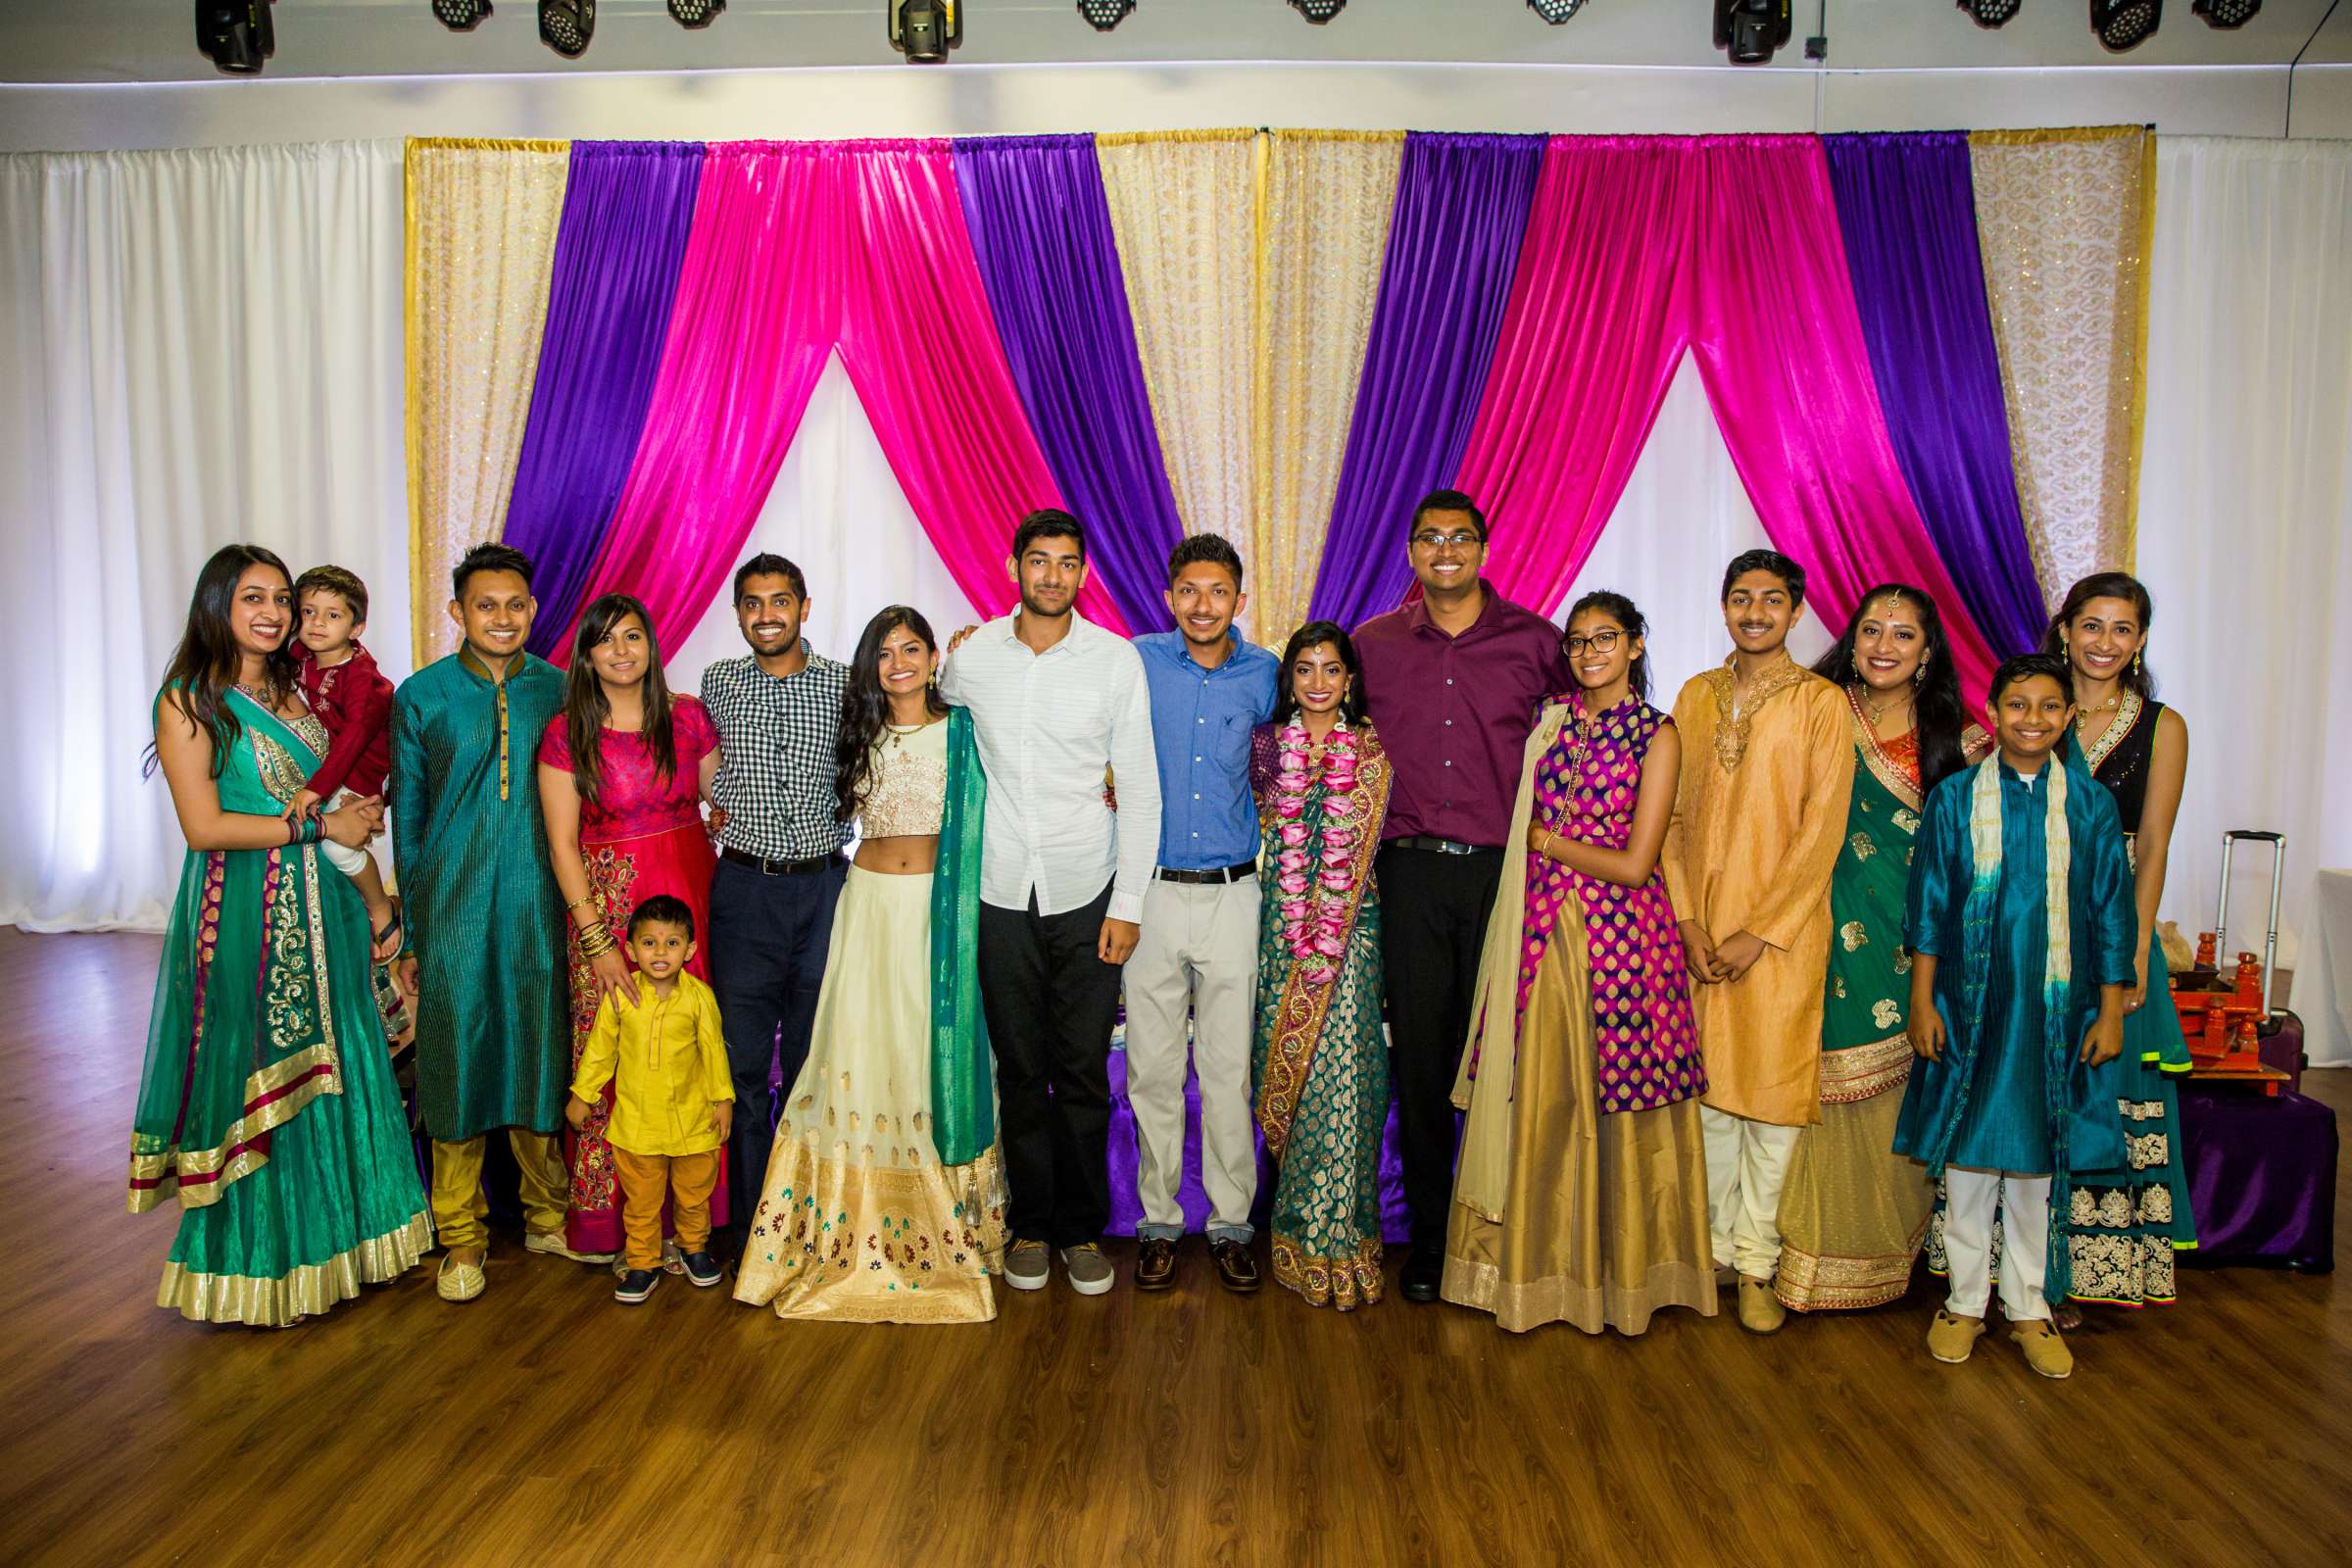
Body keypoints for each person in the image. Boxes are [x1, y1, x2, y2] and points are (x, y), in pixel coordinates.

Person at [132, 544, 429, 1326]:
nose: (271, 613)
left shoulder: (302, 686)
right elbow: (203, 827)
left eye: (281, 599)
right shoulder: (191, 699)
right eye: (252, 598)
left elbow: (350, 769)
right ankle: (264, 1268)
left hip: (325, 907)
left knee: (347, 1059)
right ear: (217, 606)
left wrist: (357, 823)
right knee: (264, 1071)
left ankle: (351, 1250)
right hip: (245, 917)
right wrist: (320, 826)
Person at [1446, 592, 1714, 1335]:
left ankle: (1618, 1275)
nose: (1589, 651)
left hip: (1619, 942)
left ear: (1635, 645)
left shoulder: (1657, 735)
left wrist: (1550, 846)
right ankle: (1530, 1271)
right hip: (1538, 936)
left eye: (1607, 638)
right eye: (1578, 641)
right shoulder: (1551, 724)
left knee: (1612, 1105)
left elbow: (1635, 864)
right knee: (1538, 1100)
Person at [734, 608, 1007, 1323]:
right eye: (884, 654)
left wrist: (978, 642)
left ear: (933, 657)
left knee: (923, 1052)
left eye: (911, 648)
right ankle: (843, 1229)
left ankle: (946, 1223)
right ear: (870, 666)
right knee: (858, 1048)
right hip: (868, 907)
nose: (899, 664)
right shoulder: (856, 733)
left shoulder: (965, 730)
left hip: (938, 914)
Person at [1351, 489, 1570, 1303]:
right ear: (1411, 551)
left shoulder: (1537, 642)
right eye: (1430, 538)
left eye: (1462, 537)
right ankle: (1439, 1243)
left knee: (1509, 1056)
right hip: (1406, 874)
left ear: (1484, 547)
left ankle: (1507, 1236)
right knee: (1423, 1060)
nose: (1446, 549)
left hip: (1507, 875)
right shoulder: (1373, 644)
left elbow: (1590, 731)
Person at [937, 509, 1160, 1298]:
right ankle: (1030, 1225)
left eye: (1068, 563)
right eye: (1040, 561)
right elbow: (925, 702)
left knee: (1082, 1072)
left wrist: (1128, 901)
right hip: (999, 893)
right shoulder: (973, 661)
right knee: (1022, 1070)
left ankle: (1081, 1230)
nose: (1054, 576)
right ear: (1013, 568)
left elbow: (1139, 786)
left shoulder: (1114, 661)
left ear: (1082, 573)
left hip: (1087, 890)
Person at [1897, 653, 2137, 1380]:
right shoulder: (1956, 799)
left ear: (2068, 718)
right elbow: (1931, 903)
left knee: (2036, 1159)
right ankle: (1966, 1301)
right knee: (1971, 1158)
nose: (2031, 719)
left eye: (2047, 707)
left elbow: (2110, 911)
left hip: (2056, 1013)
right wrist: (1921, 1000)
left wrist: (2112, 1009)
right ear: (1992, 714)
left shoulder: (2090, 805)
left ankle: (2028, 1303)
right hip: (1970, 1005)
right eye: (2016, 706)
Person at [1775, 585, 1985, 1315]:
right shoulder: (1814, 709)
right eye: (1872, 630)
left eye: (1904, 634)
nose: (1885, 645)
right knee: (1822, 1081)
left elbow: (1969, 859)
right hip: (1817, 925)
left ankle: (1880, 1256)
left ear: (1928, 653)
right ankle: (1808, 1255)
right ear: (1851, 638)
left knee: (1899, 1089)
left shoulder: (1960, 739)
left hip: (1912, 944)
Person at [1659, 549, 1849, 1335]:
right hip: (1701, 937)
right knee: (1709, 1104)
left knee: (1770, 1105)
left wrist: (1758, 932)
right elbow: (1666, 817)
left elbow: (1821, 831)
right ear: (1724, 606)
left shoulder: (1821, 703)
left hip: (1782, 940)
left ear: (1797, 611)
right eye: (1741, 598)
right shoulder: (1695, 696)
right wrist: (1690, 922)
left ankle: (1760, 1264)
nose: (1756, 612)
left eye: (1773, 600)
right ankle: (1713, 1257)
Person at [389, 542, 576, 1304]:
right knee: (453, 1060)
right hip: (454, 904)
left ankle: (546, 1213)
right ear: (457, 612)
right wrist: (412, 931)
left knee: (539, 1048)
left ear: (533, 610)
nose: (502, 617)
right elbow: (409, 818)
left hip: (540, 900)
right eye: (486, 605)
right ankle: (459, 1236)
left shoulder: (561, 691)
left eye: (516, 605)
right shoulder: (423, 696)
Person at [538, 593, 725, 1266]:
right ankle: (613, 1226)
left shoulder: (690, 718)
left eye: (634, 636)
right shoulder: (567, 732)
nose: (622, 650)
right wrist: (595, 941)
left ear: (652, 645)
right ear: (586, 655)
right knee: (615, 1052)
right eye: (606, 640)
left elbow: (720, 804)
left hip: (690, 895)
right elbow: (562, 844)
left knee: (690, 1048)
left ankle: (692, 1222)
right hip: (612, 907)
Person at [1126, 534, 1279, 1295]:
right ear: (1168, 597)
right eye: (1188, 590)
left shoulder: (1267, 675)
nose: (1203, 605)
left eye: (1218, 591)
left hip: (1233, 894)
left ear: (1239, 600)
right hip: (1149, 892)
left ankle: (1229, 1226)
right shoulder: (1137, 661)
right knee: (1152, 1071)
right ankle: (1158, 1224)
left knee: (1226, 1072)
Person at [2042, 571, 2197, 1313]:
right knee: (2033, 1089)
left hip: (2115, 930)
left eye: (2123, 629)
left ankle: (2098, 1272)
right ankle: (2024, 1272)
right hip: (2031, 928)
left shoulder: (2162, 726)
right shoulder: (2036, 708)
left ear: (2139, 641)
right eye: (2092, 625)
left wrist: (2135, 949)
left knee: (2109, 1090)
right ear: (2065, 629)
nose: (2105, 642)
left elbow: (2157, 843)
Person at [699, 555, 852, 1267]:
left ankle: (808, 1219)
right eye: (754, 603)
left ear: (805, 606)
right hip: (745, 894)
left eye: (780, 601)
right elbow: (691, 754)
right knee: (742, 1066)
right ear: (738, 613)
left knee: (811, 1066)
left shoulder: (847, 686)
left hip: (824, 892)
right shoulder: (717, 683)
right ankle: (754, 1225)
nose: (767, 615)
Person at [1250, 622, 1395, 1309]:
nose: (1316, 683)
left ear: (1351, 679)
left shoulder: (1373, 753)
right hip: (1278, 935)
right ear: (1290, 679)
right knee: (1295, 1083)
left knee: (1349, 1083)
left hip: (1352, 938)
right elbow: (1249, 832)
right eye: (1304, 670)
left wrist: (1338, 927)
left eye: (1330, 670)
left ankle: (1347, 1238)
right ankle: (1297, 1234)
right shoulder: (1266, 749)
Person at [566, 895, 733, 1305]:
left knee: (694, 1194)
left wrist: (722, 1100)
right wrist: (582, 1095)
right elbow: (601, 1050)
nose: (660, 953)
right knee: (641, 1203)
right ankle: (643, 1262)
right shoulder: (621, 996)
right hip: (638, 1127)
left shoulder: (699, 998)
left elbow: (714, 1051)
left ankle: (694, 1248)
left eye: (672, 943)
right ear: (630, 949)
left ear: (690, 950)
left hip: (694, 1124)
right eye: (650, 943)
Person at [285, 565, 400, 956]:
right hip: (322, 765)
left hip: (359, 773)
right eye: (308, 612)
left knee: (336, 847)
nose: (317, 623)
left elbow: (352, 742)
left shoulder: (363, 680)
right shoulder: (299, 655)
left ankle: (381, 905)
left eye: (333, 615)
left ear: (356, 628)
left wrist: (316, 789)